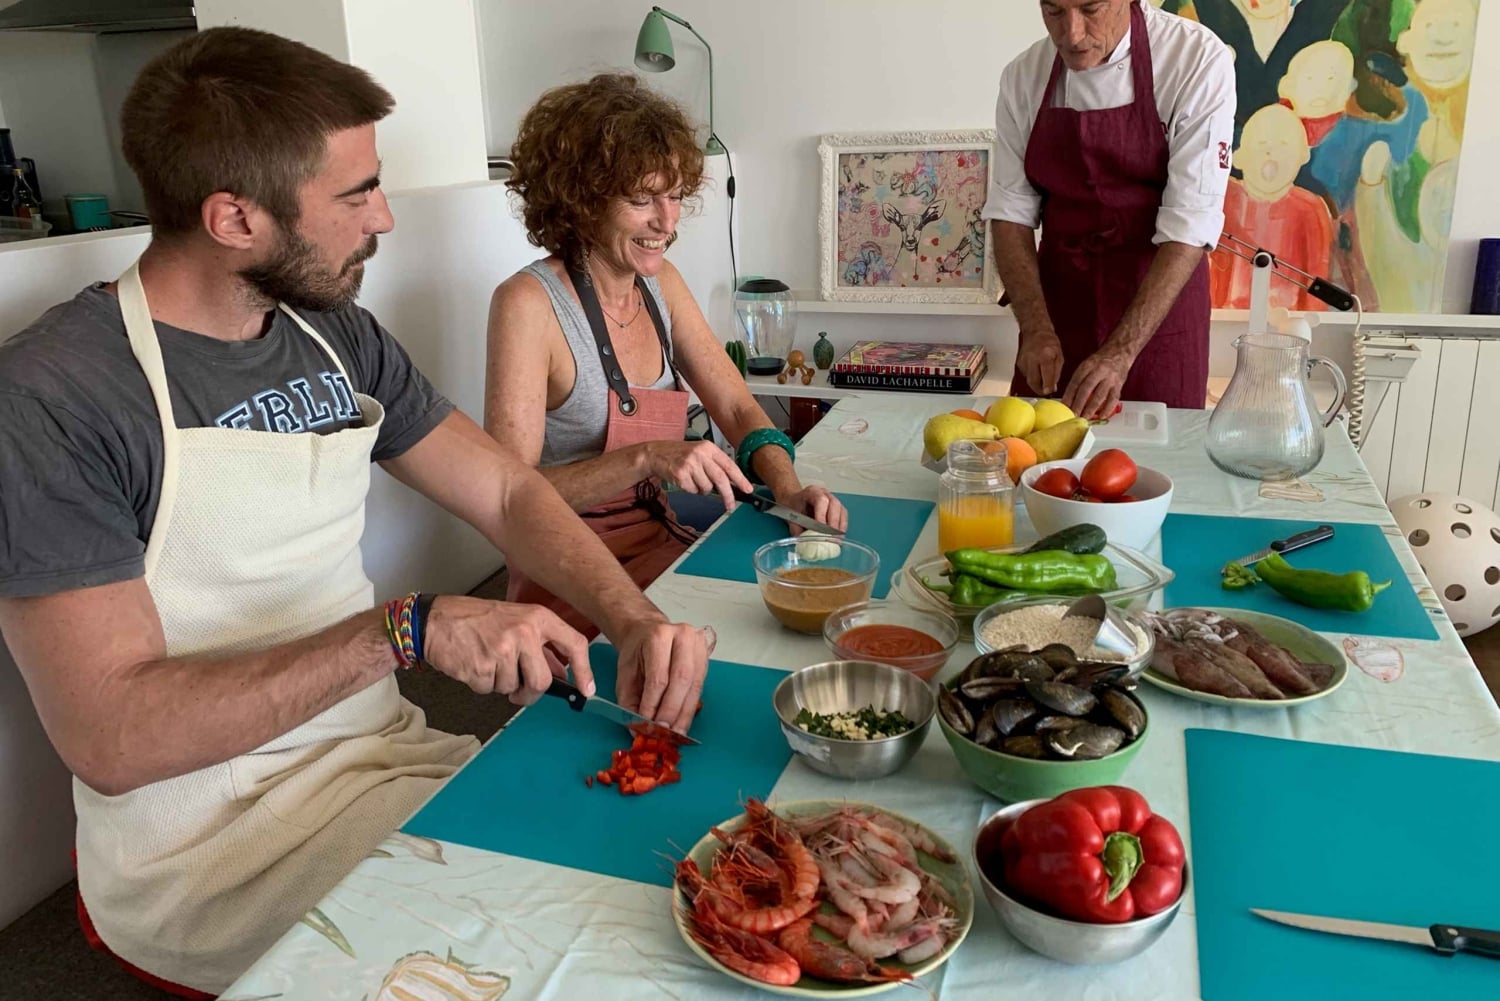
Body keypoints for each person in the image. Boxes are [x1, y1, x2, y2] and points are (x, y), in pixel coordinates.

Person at [0, 29, 709, 996]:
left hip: (377, 760)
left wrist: (633, 616)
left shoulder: (331, 331)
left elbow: (503, 487)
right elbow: (112, 737)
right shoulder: (58, 396)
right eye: (355, 195)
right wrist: (408, 630)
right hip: (207, 852)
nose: (384, 218)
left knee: (655, 876)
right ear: (233, 217)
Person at [485, 74, 847, 634]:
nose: (667, 221)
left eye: (674, 195)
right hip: (566, 574)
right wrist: (646, 457)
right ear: (579, 200)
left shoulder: (661, 284)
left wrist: (790, 490)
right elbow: (506, 498)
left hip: (659, 541)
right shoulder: (528, 305)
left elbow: (738, 410)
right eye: (640, 199)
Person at [984, 0, 1236, 416]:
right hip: (1057, 304)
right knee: (1039, 459)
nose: (1072, 34)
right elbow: (1010, 211)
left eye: (1091, 8)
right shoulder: (1023, 76)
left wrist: (1120, 352)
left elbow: (1190, 220)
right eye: (1053, 12)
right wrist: (1035, 326)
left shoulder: (1193, 58)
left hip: (1158, 308)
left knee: (1155, 464)